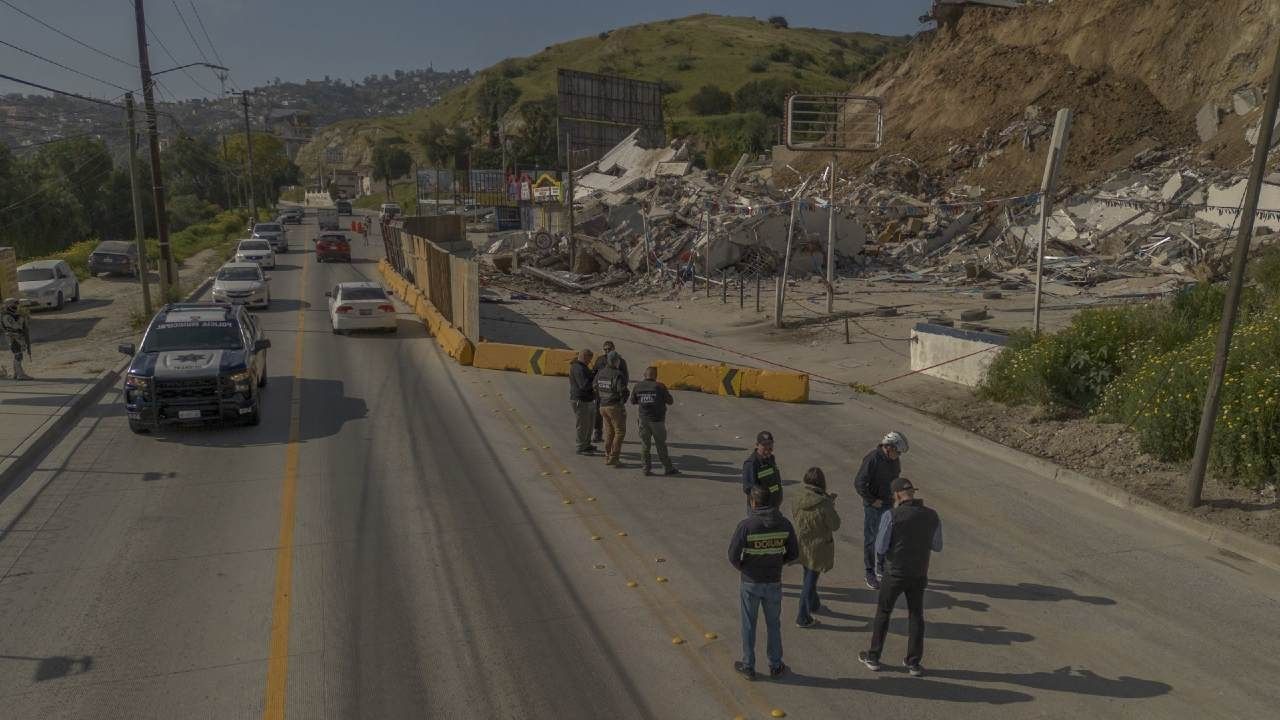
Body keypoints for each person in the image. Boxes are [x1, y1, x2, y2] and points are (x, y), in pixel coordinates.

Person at [859, 477, 942, 678]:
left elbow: (880, 547)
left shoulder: (891, 515)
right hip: (919, 572)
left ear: (896, 495)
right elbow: (937, 545)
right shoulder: (932, 515)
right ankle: (913, 662)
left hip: (895, 572)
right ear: (912, 493)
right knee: (916, 615)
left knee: (884, 612)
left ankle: (874, 656)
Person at [728, 484, 799, 681]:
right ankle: (775, 665)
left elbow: (733, 556)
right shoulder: (784, 524)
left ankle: (748, 665)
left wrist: (746, 567)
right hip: (773, 581)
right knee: (774, 624)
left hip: (751, 582)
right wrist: (776, 563)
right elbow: (793, 554)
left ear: (754, 502)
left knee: (749, 624)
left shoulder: (747, 526)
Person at [854, 431, 909, 590]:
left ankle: (882, 567)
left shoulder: (894, 461)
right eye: (897, 451)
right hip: (874, 507)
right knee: (871, 539)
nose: (898, 455)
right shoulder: (872, 459)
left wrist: (898, 496)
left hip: (888, 504)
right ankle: (870, 571)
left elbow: (895, 479)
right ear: (889, 447)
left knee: (885, 538)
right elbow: (859, 483)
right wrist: (872, 500)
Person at [790, 467, 841, 628]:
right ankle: (803, 616)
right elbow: (835, 525)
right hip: (818, 547)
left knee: (808, 575)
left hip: (802, 542)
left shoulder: (798, 496)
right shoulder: (824, 504)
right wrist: (830, 505)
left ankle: (814, 604)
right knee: (810, 581)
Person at [630, 366, 679, 476]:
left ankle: (646, 468)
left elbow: (633, 401)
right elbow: (670, 401)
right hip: (657, 421)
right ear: (655, 376)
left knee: (645, 445)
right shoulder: (659, 386)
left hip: (643, 420)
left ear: (644, 375)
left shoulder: (638, 386)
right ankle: (668, 467)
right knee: (661, 444)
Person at [594, 351, 629, 466]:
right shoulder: (617, 374)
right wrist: (622, 402)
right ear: (615, 361)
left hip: (602, 406)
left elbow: (594, 386)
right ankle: (614, 457)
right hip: (614, 406)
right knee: (620, 432)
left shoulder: (601, 372)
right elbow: (622, 391)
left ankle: (607, 455)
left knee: (609, 432)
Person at [592, 341, 628, 442]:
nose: (607, 351)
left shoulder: (621, 361)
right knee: (598, 414)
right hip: (602, 394)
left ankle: (613, 436)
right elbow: (594, 374)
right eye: (605, 349)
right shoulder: (600, 360)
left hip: (614, 396)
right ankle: (597, 433)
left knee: (615, 417)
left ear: (613, 348)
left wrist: (622, 396)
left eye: (609, 349)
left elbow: (625, 377)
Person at [741, 431, 782, 508]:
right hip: (760, 508)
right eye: (764, 444)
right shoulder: (751, 463)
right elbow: (748, 488)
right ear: (757, 445)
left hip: (773, 504)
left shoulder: (771, 458)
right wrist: (762, 499)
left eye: (770, 444)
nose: (768, 447)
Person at [568, 349, 596, 454]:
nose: (590, 362)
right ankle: (580, 446)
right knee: (583, 425)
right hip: (580, 400)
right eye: (589, 359)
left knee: (589, 424)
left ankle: (586, 444)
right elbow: (583, 385)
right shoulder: (578, 368)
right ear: (585, 357)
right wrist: (595, 384)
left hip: (588, 400)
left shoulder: (583, 367)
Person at [1, 298, 32, 380]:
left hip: (17, 337)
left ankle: (16, 373)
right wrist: (21, 320)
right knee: (18, 355)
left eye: (16, 304)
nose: (15, 306)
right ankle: (20, 374)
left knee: (18, 355)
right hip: (13, 338)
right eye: (13, 304)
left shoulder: (13, 315)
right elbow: (15, 327)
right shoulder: (6, 316)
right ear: (8, 305)